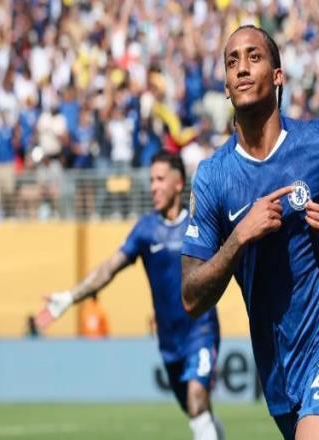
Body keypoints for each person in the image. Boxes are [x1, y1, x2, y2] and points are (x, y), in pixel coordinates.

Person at [181, 25, 319, 440]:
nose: (241, 68)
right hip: (278, 370)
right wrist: (239, 237)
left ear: (277, 76)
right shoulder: (213, 177)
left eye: (253, 57)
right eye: (232, 61)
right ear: (226, 86)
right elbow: (191, 297)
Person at [35, 152, 225, 440]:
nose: (153, 187)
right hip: (169, 340)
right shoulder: (146, 230)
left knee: (197, 399)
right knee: (197, 412)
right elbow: (108, 269)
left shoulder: (198, 223)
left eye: (160, 179)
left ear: (178, 184)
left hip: (201, 330)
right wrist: (69, 297)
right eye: (151, 180)